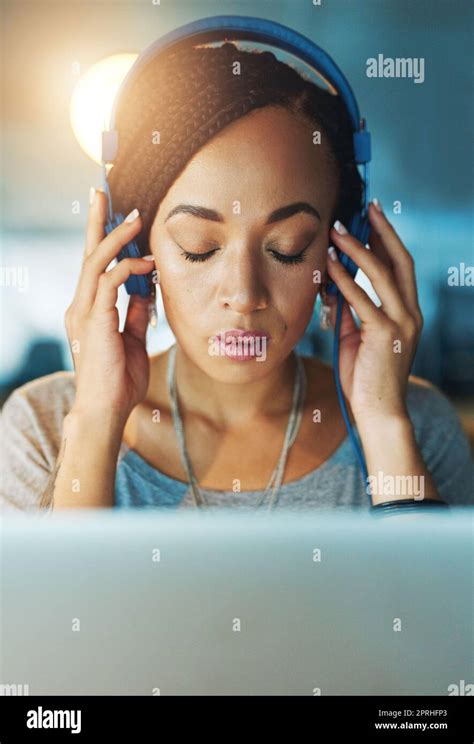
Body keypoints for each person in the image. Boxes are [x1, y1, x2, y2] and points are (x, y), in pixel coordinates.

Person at [0, 42, 472, 511]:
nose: (245, 295)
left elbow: (431, 591)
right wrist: (95, 425)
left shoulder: (419, 425)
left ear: (337, 257)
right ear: (138, 253)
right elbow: (67, 590)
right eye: (199, 248)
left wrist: (384, 425)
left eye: (287, 249)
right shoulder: (42, 426)